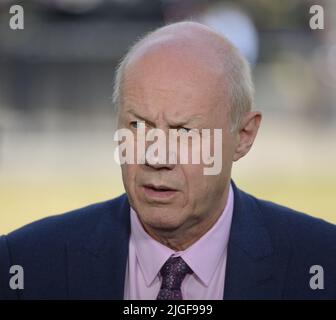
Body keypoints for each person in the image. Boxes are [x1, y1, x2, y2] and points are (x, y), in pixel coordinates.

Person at [0, 22, 335, 300]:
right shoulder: (25, 264)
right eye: (137, 125)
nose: (155, 156)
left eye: (184, 132)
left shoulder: (322, 263)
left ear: (244, 136)